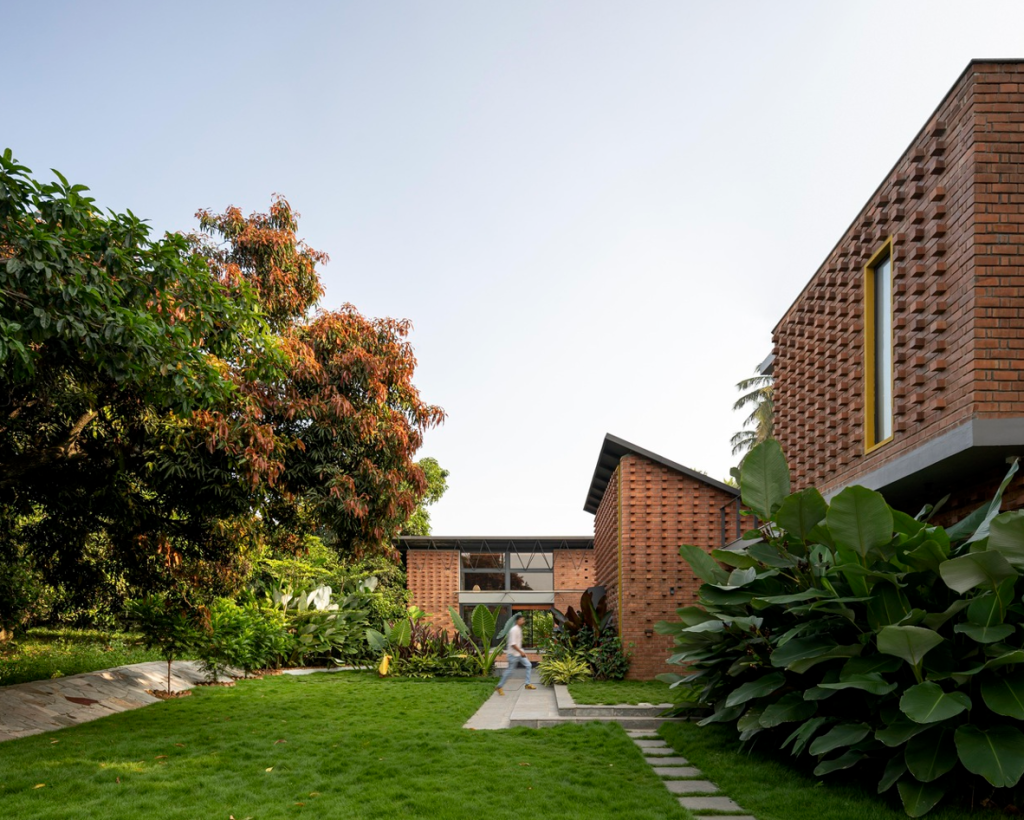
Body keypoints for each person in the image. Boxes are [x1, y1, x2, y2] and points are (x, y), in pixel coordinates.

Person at [495, 614, 536, 695]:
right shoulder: (514, 630)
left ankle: (527, 684)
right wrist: (521, 652)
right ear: (518, 620)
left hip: (519, 653)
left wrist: (521, 652)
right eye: (522, 620)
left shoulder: (519, 629)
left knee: (528, 665)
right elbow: (513, 644)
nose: (523, 621)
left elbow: (517, 643)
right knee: (510, 671)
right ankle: (499, 686)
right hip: (513, 654)